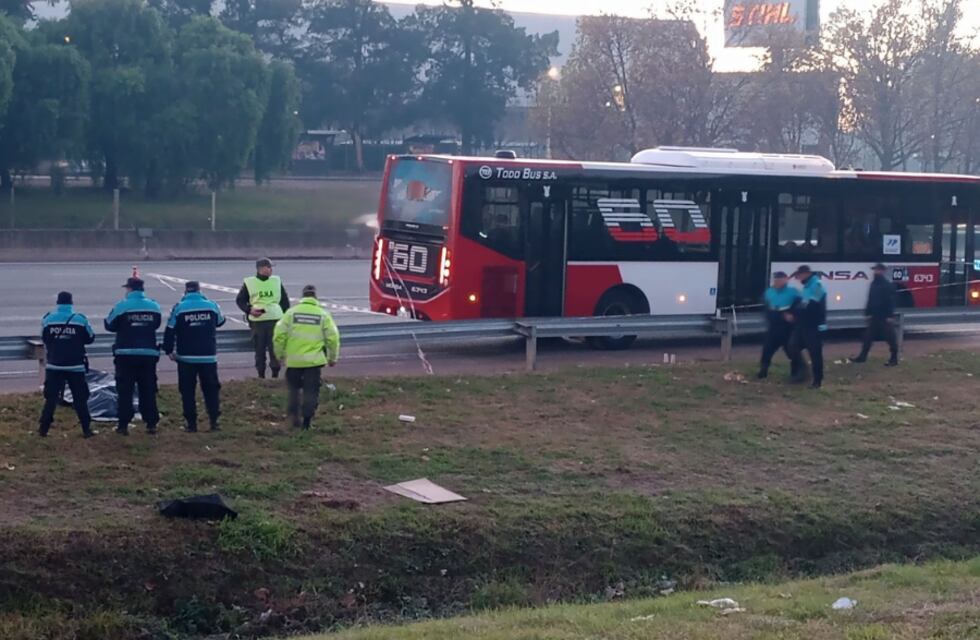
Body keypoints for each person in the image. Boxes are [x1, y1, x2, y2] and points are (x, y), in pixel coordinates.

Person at [273, 284, 340, 430]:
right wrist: (332, 358)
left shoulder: (290, 313)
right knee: (311, 392)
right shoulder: (322, 314)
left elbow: (279, 336)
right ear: (315, 297)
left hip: (293, 361)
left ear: (302, 297)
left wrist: (280, 355)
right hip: (313, 363)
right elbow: (333, 338)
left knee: (294, 390)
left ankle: (293, 416)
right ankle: (307, 422)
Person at [163, 281, 226, 433]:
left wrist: (168, 349)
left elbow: (170, 330)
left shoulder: (179, 308)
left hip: (186, 357)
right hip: (208, 356)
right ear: (199, 290)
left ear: (186, 291)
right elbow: (220, 321)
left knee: (187, 391)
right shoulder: (212, 305)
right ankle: (214, 422)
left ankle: (191, 424)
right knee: (211, 390)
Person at [105, 277, 162, 435]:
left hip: (125, 354)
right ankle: (151, 423)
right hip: (148, 354)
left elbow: (109, 325)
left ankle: (123, 425)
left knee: (125, 391)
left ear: (129, 289)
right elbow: (157, 324)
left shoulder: (122, 306)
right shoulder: (154, 306)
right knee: (148, 389)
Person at [38, 292, 96, 439]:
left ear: (57, 303)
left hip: (54, 365)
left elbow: (44, 338)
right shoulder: (80, 319)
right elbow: (90, 338)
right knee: (80, 399)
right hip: (75, 366)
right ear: (71, 303)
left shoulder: (48, 319)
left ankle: (43, 429)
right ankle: (86, 429)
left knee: (51, 399)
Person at [237, 258, 290, 379]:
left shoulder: (276, 281)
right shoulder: (249, 282)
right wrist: (249, 310)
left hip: (275, 320)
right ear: (261, 269)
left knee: (275, 349)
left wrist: (285, 319)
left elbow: (284, 301)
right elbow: (240, 300)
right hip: (258, 322)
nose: (271, 270)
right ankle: (261, 375)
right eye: (269, 267)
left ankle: (275, 374)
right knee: (259, 350)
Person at [850, 263, 899, 367]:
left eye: (877, 270)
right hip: (875, 316)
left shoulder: (887, 285)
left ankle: (894, 358)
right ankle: (862, 356)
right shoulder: (873, 284)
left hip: (884, 316)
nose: (875, 272)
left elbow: (890, 301)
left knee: (890, 338)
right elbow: (870, 299)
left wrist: (890, 316)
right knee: (867, 337)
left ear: (882, 271)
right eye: (875, 270)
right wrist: (868, 312)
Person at [757, 271, 801, 380]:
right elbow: (765, 308)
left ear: (786, 280)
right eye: (776, 280)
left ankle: (796, 374)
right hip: (774, 327)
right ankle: (763, 372)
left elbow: (800, 307)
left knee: (792, 352)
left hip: (788, 328)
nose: (778, 282)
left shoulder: (793, 292)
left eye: (781, 280)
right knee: (767, 350)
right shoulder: (769, 293)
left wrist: (793, 315)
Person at [789, 265, 827, 389]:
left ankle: (817, 381)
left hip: (814, 325)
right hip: (803, 324)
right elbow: (803, 304)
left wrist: (797, 311)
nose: (798, 278)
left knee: (815, 354)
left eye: (799, 275)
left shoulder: (817, 285)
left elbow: (812, 306)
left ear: (806, 273)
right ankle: (802, 372)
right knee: (792, 346)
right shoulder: (806, 286)